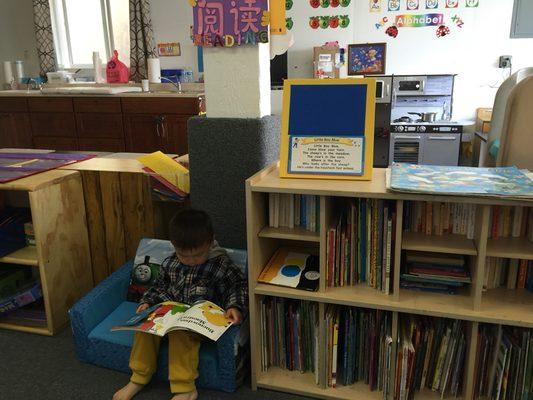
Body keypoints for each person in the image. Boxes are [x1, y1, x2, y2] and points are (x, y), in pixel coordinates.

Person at [113, 209, 248, 400]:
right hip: (170, 314)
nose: (191, 261)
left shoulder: (220, 264)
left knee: (180, 335)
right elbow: (159, 286)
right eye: (184, 256)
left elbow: (238, 286)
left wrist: (234, 307)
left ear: (210, 242)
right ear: (174, 246)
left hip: (200, 323)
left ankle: (185, 389)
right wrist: (147, 302)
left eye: (197, 256)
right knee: (144, 330)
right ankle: (138, 378)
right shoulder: (171, 262)